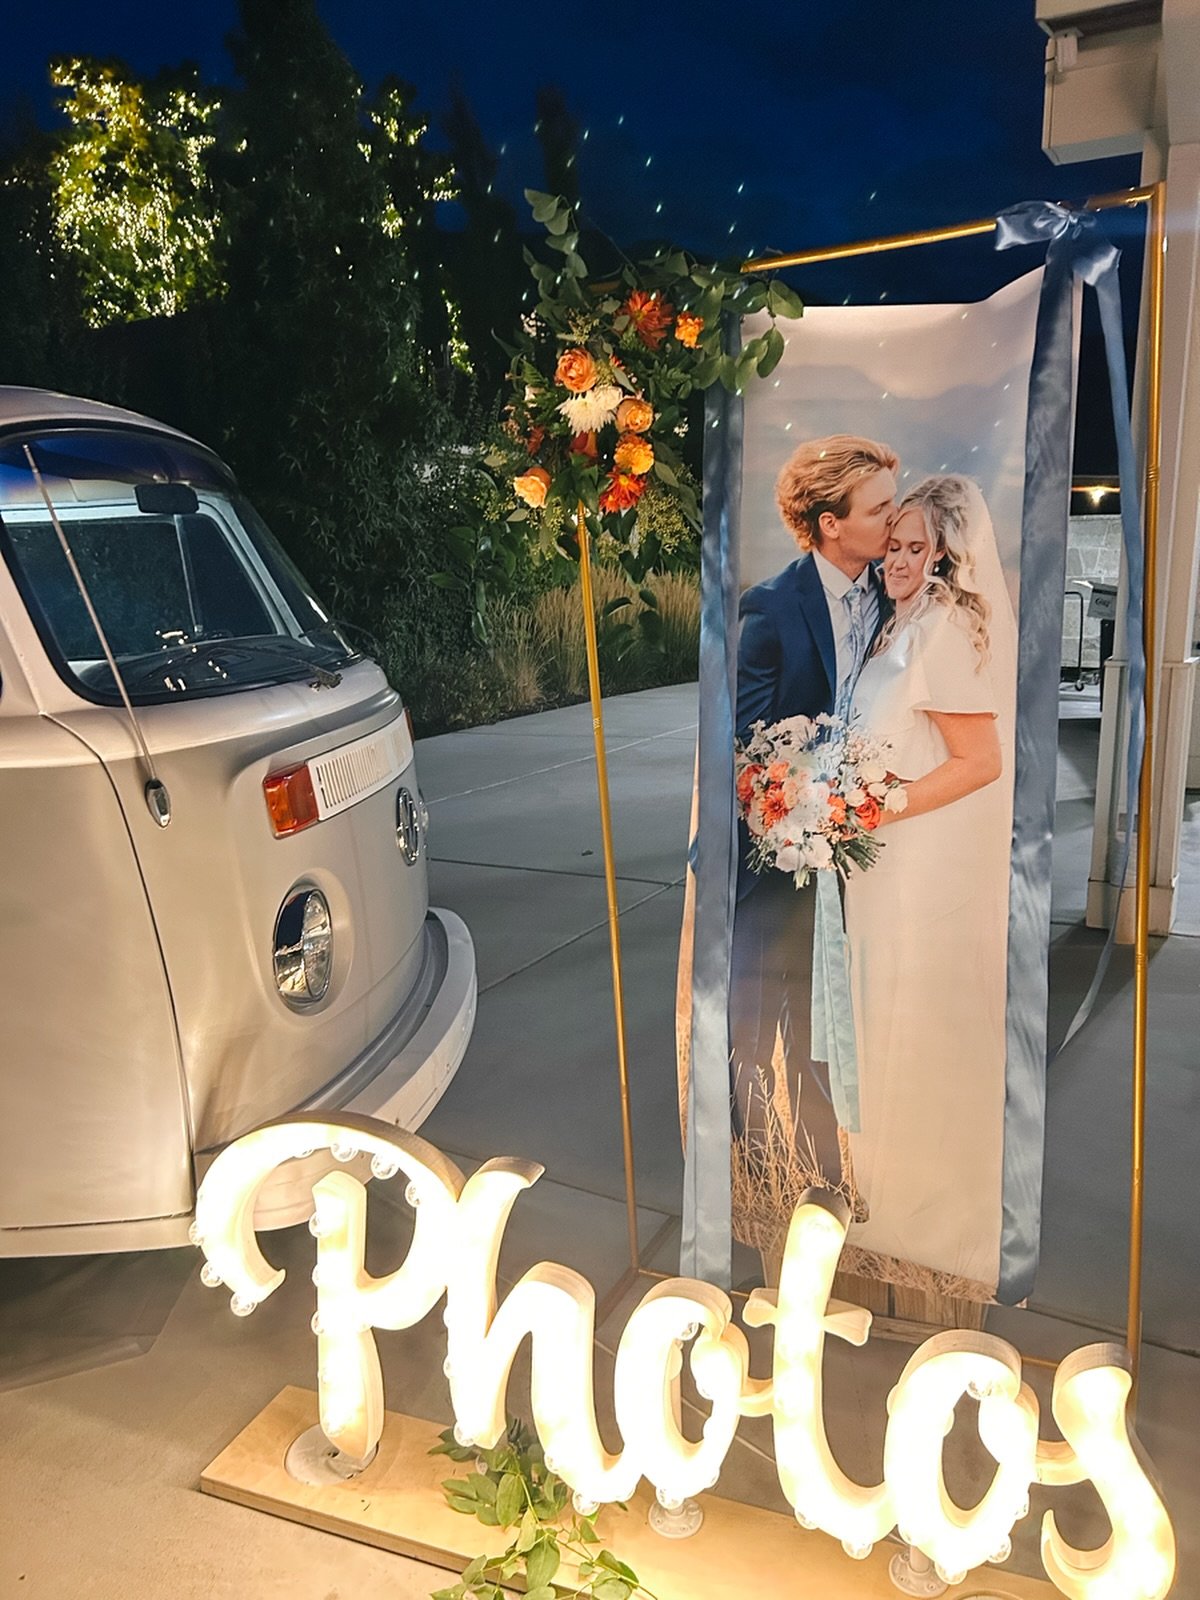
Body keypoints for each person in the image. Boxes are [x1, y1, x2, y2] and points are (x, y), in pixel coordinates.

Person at [842, 474, 1017, 1299]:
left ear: (944, 552)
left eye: (915, 548)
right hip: (878, 861)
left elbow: (982, 762)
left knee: (907, 1012)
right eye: (892, 546)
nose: (897, 561)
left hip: (909, 862)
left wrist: (884, 807)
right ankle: (882, 1182)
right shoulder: (896, 626)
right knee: (880, 1012)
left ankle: (923, 1207)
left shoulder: (942, 630)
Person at [729, 434, 898, 1259]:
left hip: (867, 849)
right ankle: (761, 1175)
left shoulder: (892, 589)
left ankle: (834, 1176)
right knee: (769, 1022)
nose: (891, 519)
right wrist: (801, 818)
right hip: (785, 855)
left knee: (838, 1017)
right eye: (876, 508)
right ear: (831, 524)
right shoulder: (771, 607)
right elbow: (748, 740)